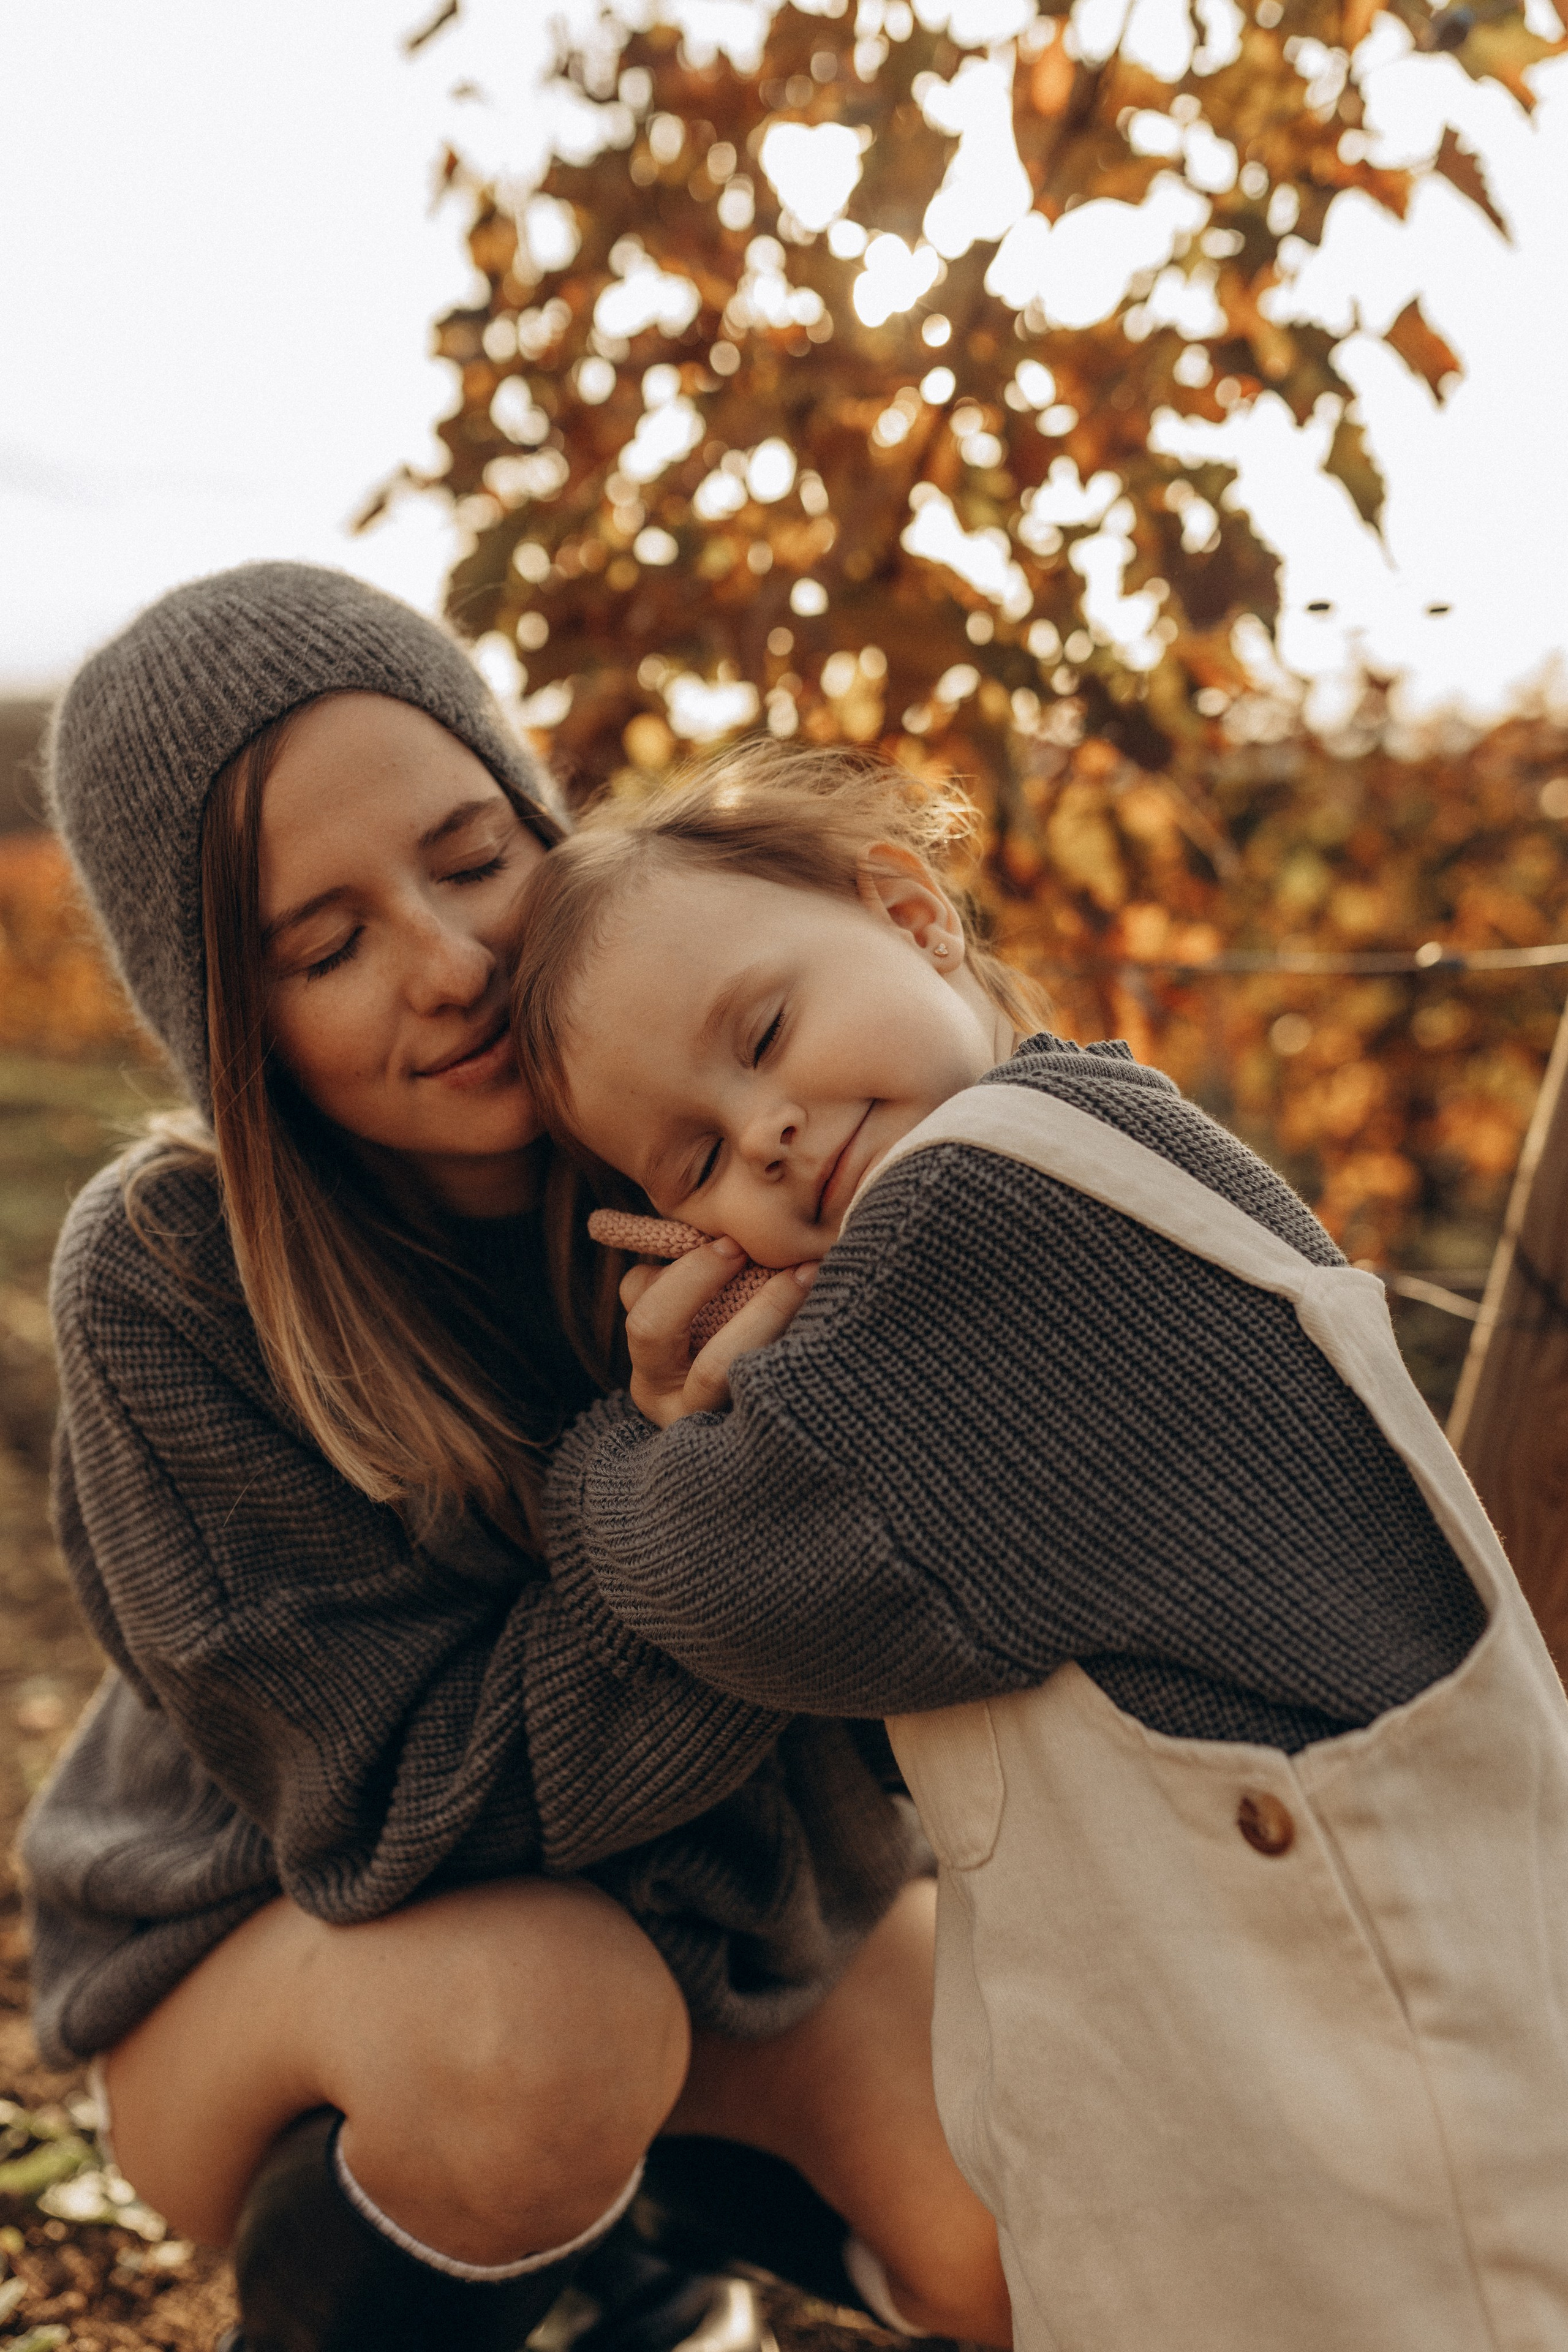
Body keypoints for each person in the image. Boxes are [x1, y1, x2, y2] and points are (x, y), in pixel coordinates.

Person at [23, 568, 1011, 2352]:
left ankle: (631, 2256)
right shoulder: (173, 1274)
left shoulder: (732, 1120)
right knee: (546, 2039)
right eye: (322, 950)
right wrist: (690, 1480)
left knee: (1046, 2211)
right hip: (295, 1966)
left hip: (744, 1929)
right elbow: (407, 1818)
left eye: (475, 860)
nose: (452, 961)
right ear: (227, 1024)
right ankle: (550, 2235)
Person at [511, 745, 1568, 2352]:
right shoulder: (1100, 1139)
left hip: (1371, 2118)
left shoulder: (987, 1213)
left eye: (766, 1034)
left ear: (913, 914)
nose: (775, 1135)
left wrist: (622, 1452)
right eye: (697, 1163)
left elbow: (723, 1570)